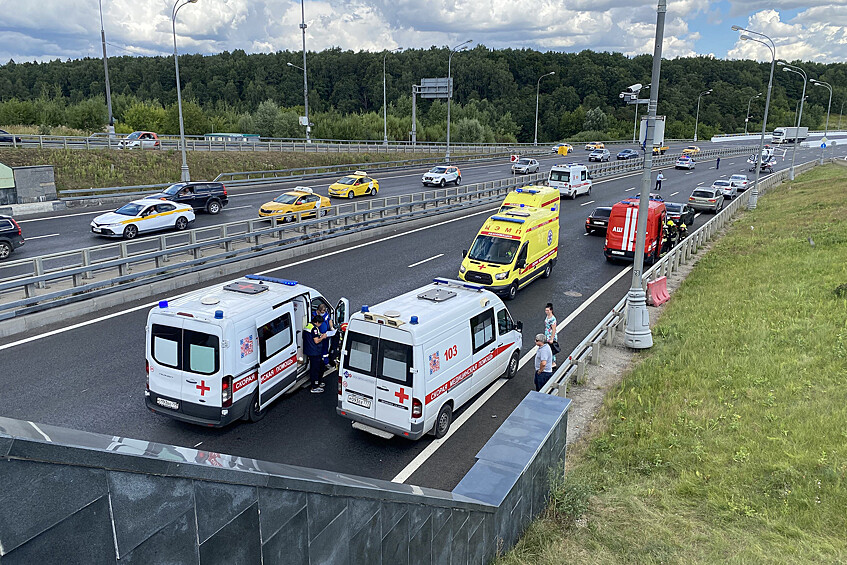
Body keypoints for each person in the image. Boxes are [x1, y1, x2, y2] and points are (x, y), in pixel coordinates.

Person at [304, 314, 327, 393]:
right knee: (316, 369)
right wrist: (322, 337)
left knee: (320, 366)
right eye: (320, 324)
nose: (320, 325)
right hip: (314, 352)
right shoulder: (314, 329)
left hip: (310, 350)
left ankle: (318, 382)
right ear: (317, 322)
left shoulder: (309, 325)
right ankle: (314, 386)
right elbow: (316, 341)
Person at [544, 303, 557, 368]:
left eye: (548, 310)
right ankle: (549, 361)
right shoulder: (548, 317)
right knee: (548, 349)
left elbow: (554, 329)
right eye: (546, 310)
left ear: (551, 310)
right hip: (547, 334)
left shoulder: (552, 319)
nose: (546, 312)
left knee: (551, 349)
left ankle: (553, 362)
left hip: (551, 335)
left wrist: (552, 338)